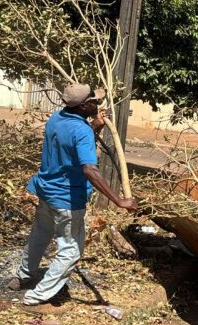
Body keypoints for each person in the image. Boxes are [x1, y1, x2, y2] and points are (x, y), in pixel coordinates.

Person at [8, 83, 138, 307]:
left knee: (40, 235)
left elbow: (70, 146)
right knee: (71, 251)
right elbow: (89, 169)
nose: (97, 104)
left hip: (47, 190)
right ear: (84, 105)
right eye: (94, 101)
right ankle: (36, 296)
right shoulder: (81, 131)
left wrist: (94, 127)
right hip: (67, 200)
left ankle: (23, 276)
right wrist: (119, 200)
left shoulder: (56, 119)